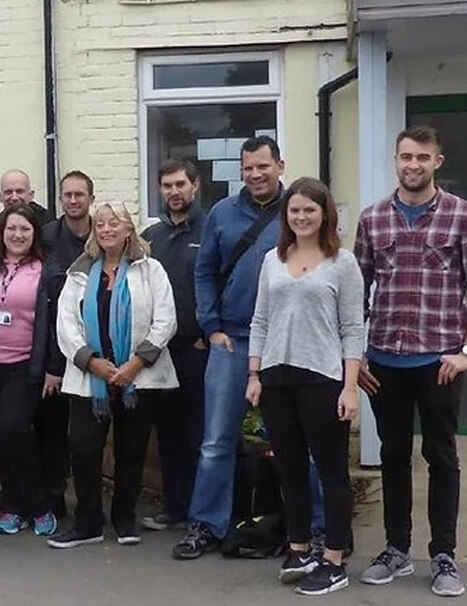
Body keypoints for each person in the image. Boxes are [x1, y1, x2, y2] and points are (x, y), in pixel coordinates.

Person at [355, 126, 467, 598]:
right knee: (392, 457)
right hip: (383, 362)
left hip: (438, 362)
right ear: (394, 161)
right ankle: (397, 549)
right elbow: (353, 295)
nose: (412, 165)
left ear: (437, 162)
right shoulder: (373, 219)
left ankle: (443, 556)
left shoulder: (464, 217)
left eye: (422, 157)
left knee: (441, 457)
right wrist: (355, 357)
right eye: (404, 156)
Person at [246, 177, 364, 596]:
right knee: (290, 468)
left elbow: (353, 329)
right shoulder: (273, 261)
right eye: (294, 210)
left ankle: (334, 557)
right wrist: (255, 375)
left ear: (324, 214)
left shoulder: (342, 263)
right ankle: (300, 548)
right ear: (286, 215)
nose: (301, 217)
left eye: (309, 210)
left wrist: (350, 387)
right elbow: (260, 321)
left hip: (323, 378)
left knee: (331, 470)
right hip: (277, 376)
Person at [174, 135, 286, 560]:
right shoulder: (222, 213)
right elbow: (204, 274)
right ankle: (206, 525)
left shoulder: (296, 211)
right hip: (232, 340)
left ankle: (306, 528)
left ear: (280, 165)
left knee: (290, 440)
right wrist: (212, 324)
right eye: (248, 168)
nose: (255, 174)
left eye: (263, 166)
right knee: (216, 440)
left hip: (282, 344)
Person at [46, 201, 178, 549]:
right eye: (100, 224)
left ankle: (124, 517)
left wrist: (136, 363)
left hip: (138, 376)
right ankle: (88, 522)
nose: (106, 230)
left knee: (131, 451)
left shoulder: (151, 271)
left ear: (128, 229)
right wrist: (91, 362)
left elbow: (165, 320)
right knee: (83, 448)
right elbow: (66, 325)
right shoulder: (80, 273)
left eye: (113, 224)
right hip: (91, 377)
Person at [0, 204, 58, 537]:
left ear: (34, 233)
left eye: (24, 229)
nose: (17, 235)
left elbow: (53, 326)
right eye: (11, 229)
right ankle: (13, 507)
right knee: (2, 435)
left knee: (13, 428)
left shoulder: (46, 271)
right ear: (1, 233)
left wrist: (53, 368)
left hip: (24, 365)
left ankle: (39, 506)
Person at [140, 160, 206, 531]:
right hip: (160, 351)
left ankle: (202, 511)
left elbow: (219, 283)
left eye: (180, 184)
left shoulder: (211, 229)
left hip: (198, 349)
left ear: (194, 187)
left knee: (201, 432)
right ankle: (174, 506)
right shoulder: (152, 237)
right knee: (169, 433)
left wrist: (208, 331)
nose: (173, 192)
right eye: (167, 186)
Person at [31, 170, 95, 517]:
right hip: (54, 347)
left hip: (95, 347)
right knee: (52, 427)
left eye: (79, 195)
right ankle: (54, 494)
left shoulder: (103, 234)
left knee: (86, 433)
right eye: (67, 195)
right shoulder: (46, 237)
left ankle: (91, 499)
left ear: (90, 198)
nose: (73, 201)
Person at [0, 170, 55, 253]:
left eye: (19, 191)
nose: (14, 197)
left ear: (31, 195)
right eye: (8, 192)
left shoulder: (49, 225)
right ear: (0, 197)